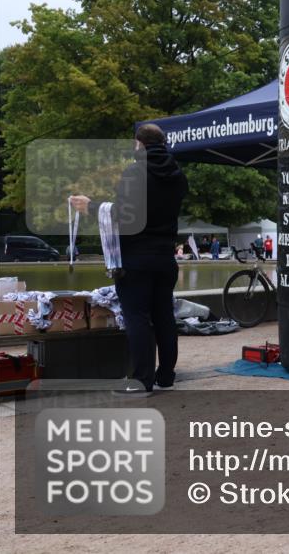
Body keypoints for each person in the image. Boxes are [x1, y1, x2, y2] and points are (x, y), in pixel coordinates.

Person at [69, 123, 188, 396]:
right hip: (165, 257)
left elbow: (122, 215)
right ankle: (166, 377)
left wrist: (91, 206)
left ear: (139, 144)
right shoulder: (178, 175)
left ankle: (141, 382)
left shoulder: (135, 172)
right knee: (164, 317)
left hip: (136, 257)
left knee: (137, 317)